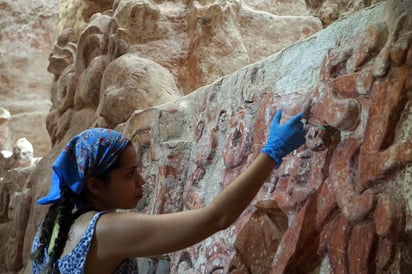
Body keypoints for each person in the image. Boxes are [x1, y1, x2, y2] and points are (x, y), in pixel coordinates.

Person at [30, 109, 306, 274]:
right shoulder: (105, 230)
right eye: (129, 174)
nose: (142, 182)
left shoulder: (55, 224)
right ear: (95, 185)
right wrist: (272, 152)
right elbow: (216, 218)